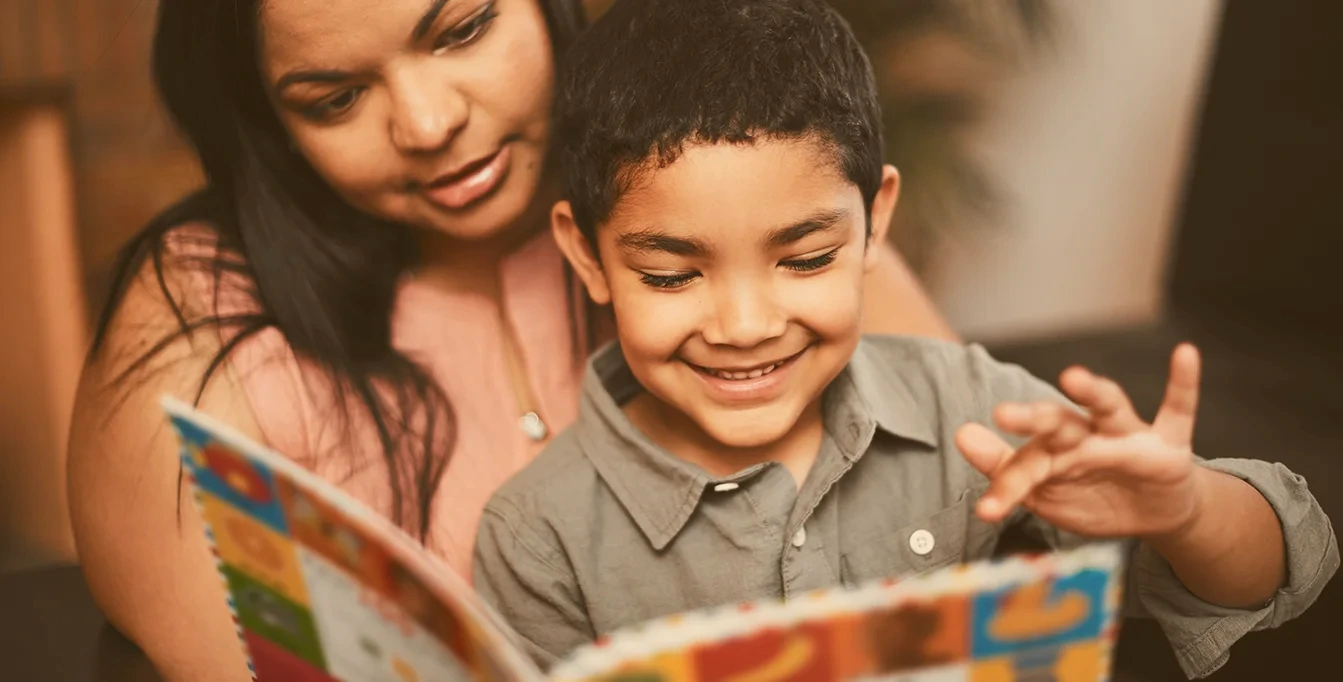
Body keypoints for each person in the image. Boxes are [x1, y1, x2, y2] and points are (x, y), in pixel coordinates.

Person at [64, 0, 954, 680]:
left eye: (461, 30)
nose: (425, 123)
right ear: (271, 124)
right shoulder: (201, 317)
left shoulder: (711, 181)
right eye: (335, 99)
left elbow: (970, 496)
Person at [471, 0, 1340, 677]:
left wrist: (1188, 512)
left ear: (875, 219)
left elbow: (1279, 576)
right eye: (670, 275)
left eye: (805, 259)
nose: (744, 327)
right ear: (585, 255)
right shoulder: (537, 537)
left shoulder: (966, 406)